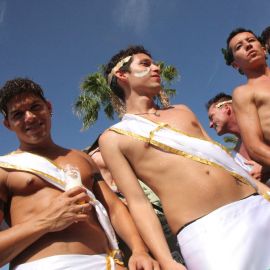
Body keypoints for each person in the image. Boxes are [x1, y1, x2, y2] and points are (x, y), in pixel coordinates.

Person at [98, 45, 270, 270]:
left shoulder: (182, 111)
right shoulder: (114, 138)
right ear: (122, 75)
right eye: (145, 64)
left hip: (255, 205)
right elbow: (139, 203)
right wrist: (166, 260)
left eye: (154, 62)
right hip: (206, 234)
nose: (156, 67)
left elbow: (218, 154)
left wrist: (260, 188)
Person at [0, 78, 159, 270]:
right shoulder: (5, 169)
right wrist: (46, 221)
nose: (30, 117)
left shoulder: (82, 158)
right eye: (18, 114)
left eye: (35, 107)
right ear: (8, 124)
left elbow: (114, 208)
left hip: (105, 263)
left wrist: (139, 250)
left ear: (48, 107)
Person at [86, 139, 184, 264]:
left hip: (173, 238)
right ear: (90, 160)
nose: (106, 151)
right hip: (141, 253)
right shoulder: (98, 197)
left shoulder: (138, 178)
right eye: (98, 150)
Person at [223, 28, 270, 169]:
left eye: (251, 40)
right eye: (239, 47)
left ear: (264, 49)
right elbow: (255, 147)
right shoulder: (243, 93)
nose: (248, 45)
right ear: (236, 65)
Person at [206, 92, 270, 184]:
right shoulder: (235, 158)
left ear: (226, 108)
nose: (210, 125)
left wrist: (265, 168)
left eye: (212, 117)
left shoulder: (264, 122)